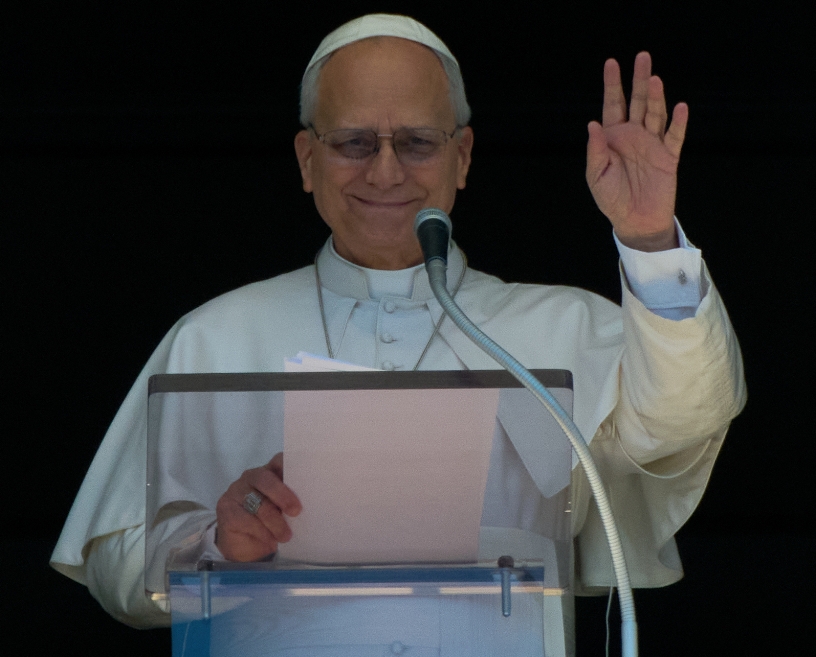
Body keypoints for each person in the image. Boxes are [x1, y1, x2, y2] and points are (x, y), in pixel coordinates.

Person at [51, 12, 745, 650]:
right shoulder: (212, 335)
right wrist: (215, 542)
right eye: (354, 141)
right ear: (305, 159)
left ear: (463, 155)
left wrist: (650, 236)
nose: (386, 170)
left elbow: (683, 418)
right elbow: (114, 565)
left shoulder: (558, 327)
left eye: (417, 141)